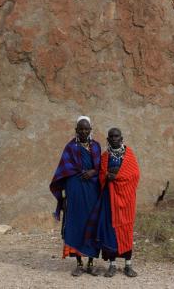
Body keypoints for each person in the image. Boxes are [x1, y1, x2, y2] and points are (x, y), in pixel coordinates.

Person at [49, 116, 101, 276]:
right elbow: (62, 172)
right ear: (76, 130)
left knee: (92, 225)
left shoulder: (96, 146)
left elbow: (100, 167)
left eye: (87, 129)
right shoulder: (70, 147)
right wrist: (63, 197)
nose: (84, 131)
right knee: (76, 224)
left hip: (92, 191)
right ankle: (79, 263)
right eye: (81, 129)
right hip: (74, 191)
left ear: (91, 130)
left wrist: (93, 171)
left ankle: (91, 263)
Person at [87, 127, 140, 277]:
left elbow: (134, 175)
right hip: (109, 198)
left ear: (121, 138)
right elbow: (102, 175)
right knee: (110, 230)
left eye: (117, 136)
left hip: (126, 199)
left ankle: (128, 265)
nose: (114, 139)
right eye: (111, 137)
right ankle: (112, 265)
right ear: (108, 139)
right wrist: (108, 177)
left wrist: (116, 177)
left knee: (126, 230)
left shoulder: (129, 155)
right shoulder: (105, 157)